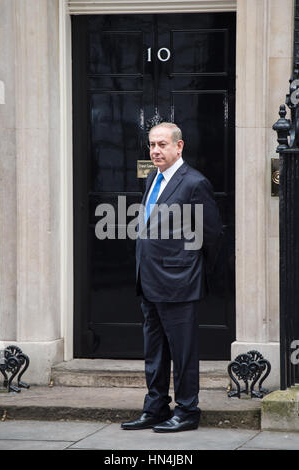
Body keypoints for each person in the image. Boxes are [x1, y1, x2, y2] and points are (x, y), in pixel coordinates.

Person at [121, 122, 223, 433]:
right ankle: (155, 407)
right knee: (154, 351)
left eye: (162, 144)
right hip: (149, 280)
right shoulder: (153, 177)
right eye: (152, 145)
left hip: (179, 283)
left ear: (179, 147)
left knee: (183, 352)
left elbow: (211, 235)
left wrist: (192, 271)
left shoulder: (194, 183)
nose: (155, 151)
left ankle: (188, 410)